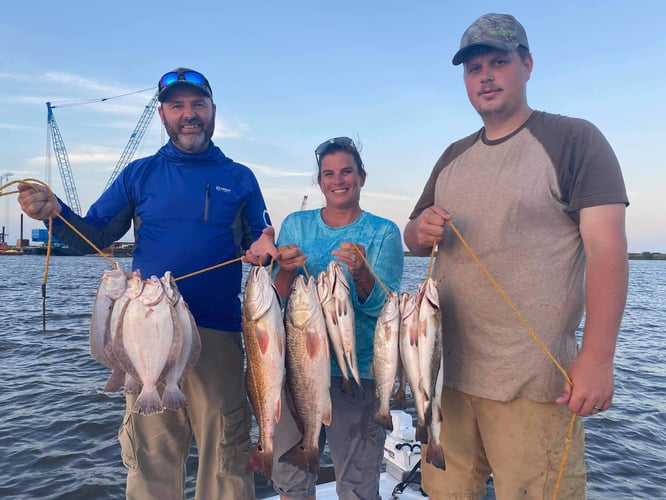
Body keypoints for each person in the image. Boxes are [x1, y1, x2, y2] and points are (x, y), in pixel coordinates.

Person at [17, 67, 279, 500]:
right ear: (162, 115)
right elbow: (95, 236)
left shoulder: (241, 177)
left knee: (227, 464)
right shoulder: (138, 174)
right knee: (152, 462)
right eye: (177, 106)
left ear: (214, 111)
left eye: (198, 104)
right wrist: (55, 212)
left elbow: (261, 239)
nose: (188, 114)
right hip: (145, 339)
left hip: (218, 334)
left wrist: (265, 246)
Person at [404, 13, 628, 499]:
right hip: (445, 380)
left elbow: (607, 247)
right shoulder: (451, 155)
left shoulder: (574, 140)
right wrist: (420, 229)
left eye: (498, 62)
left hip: (535, 385)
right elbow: (413, 238)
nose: (484, 76)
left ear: (527, 65)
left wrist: (598, 357)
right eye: (473, 67)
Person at [270, 136, 404, 500]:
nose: (338, 180)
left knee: (358, 485)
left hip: (358, 374)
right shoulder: (296, 224)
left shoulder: (384, 232)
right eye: (328, 174)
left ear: (361, 176)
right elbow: (275, 297)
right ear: (320, 182)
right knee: (292, 481)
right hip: (298, 368)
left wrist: (361, 272)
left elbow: (384, 308)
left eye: (346, 171)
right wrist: (283, 271)